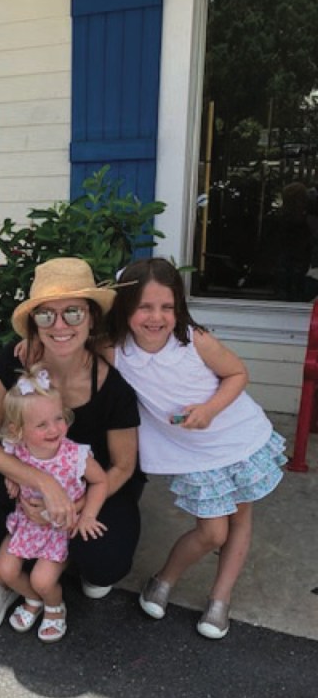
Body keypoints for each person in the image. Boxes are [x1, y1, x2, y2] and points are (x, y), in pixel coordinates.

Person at [0, 257, 144, 639]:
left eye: (73, 312)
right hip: (31, 479)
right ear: (33, 322)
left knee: (103, 562)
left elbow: (123, 467)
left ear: (91, 318)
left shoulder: (113, 386)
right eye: (46, 315)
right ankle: (4, 578)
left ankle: (59, 560)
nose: (59, 325)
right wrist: (41, 483)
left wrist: (73, 507)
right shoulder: (16, 361)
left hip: (95, 485)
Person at [108, 257, 286, 639]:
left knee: (239, 518)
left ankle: (220, 598)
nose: (156, 317)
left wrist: (209, 410)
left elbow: (237, 373)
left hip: (236, 438)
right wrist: (32, 347)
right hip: (192, 454)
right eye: (144, 306)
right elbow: (73, 351)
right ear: (125, 306)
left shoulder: (193, 340)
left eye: (167, 306)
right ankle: (164, 578)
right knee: (212, 533)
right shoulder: (117, 350)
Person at [0, 365, 109, 642]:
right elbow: (8, 463)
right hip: (27, 523)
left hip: (59, 528)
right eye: (41, 425)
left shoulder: (74, 456)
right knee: (4, 569)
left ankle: (55, 607)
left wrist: (88, 515)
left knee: (42, 580)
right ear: (18, 430)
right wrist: (11, 476)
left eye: (58, 418)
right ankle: (33, 599)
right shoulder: (17, 450)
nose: (54, 429)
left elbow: (101, 481)